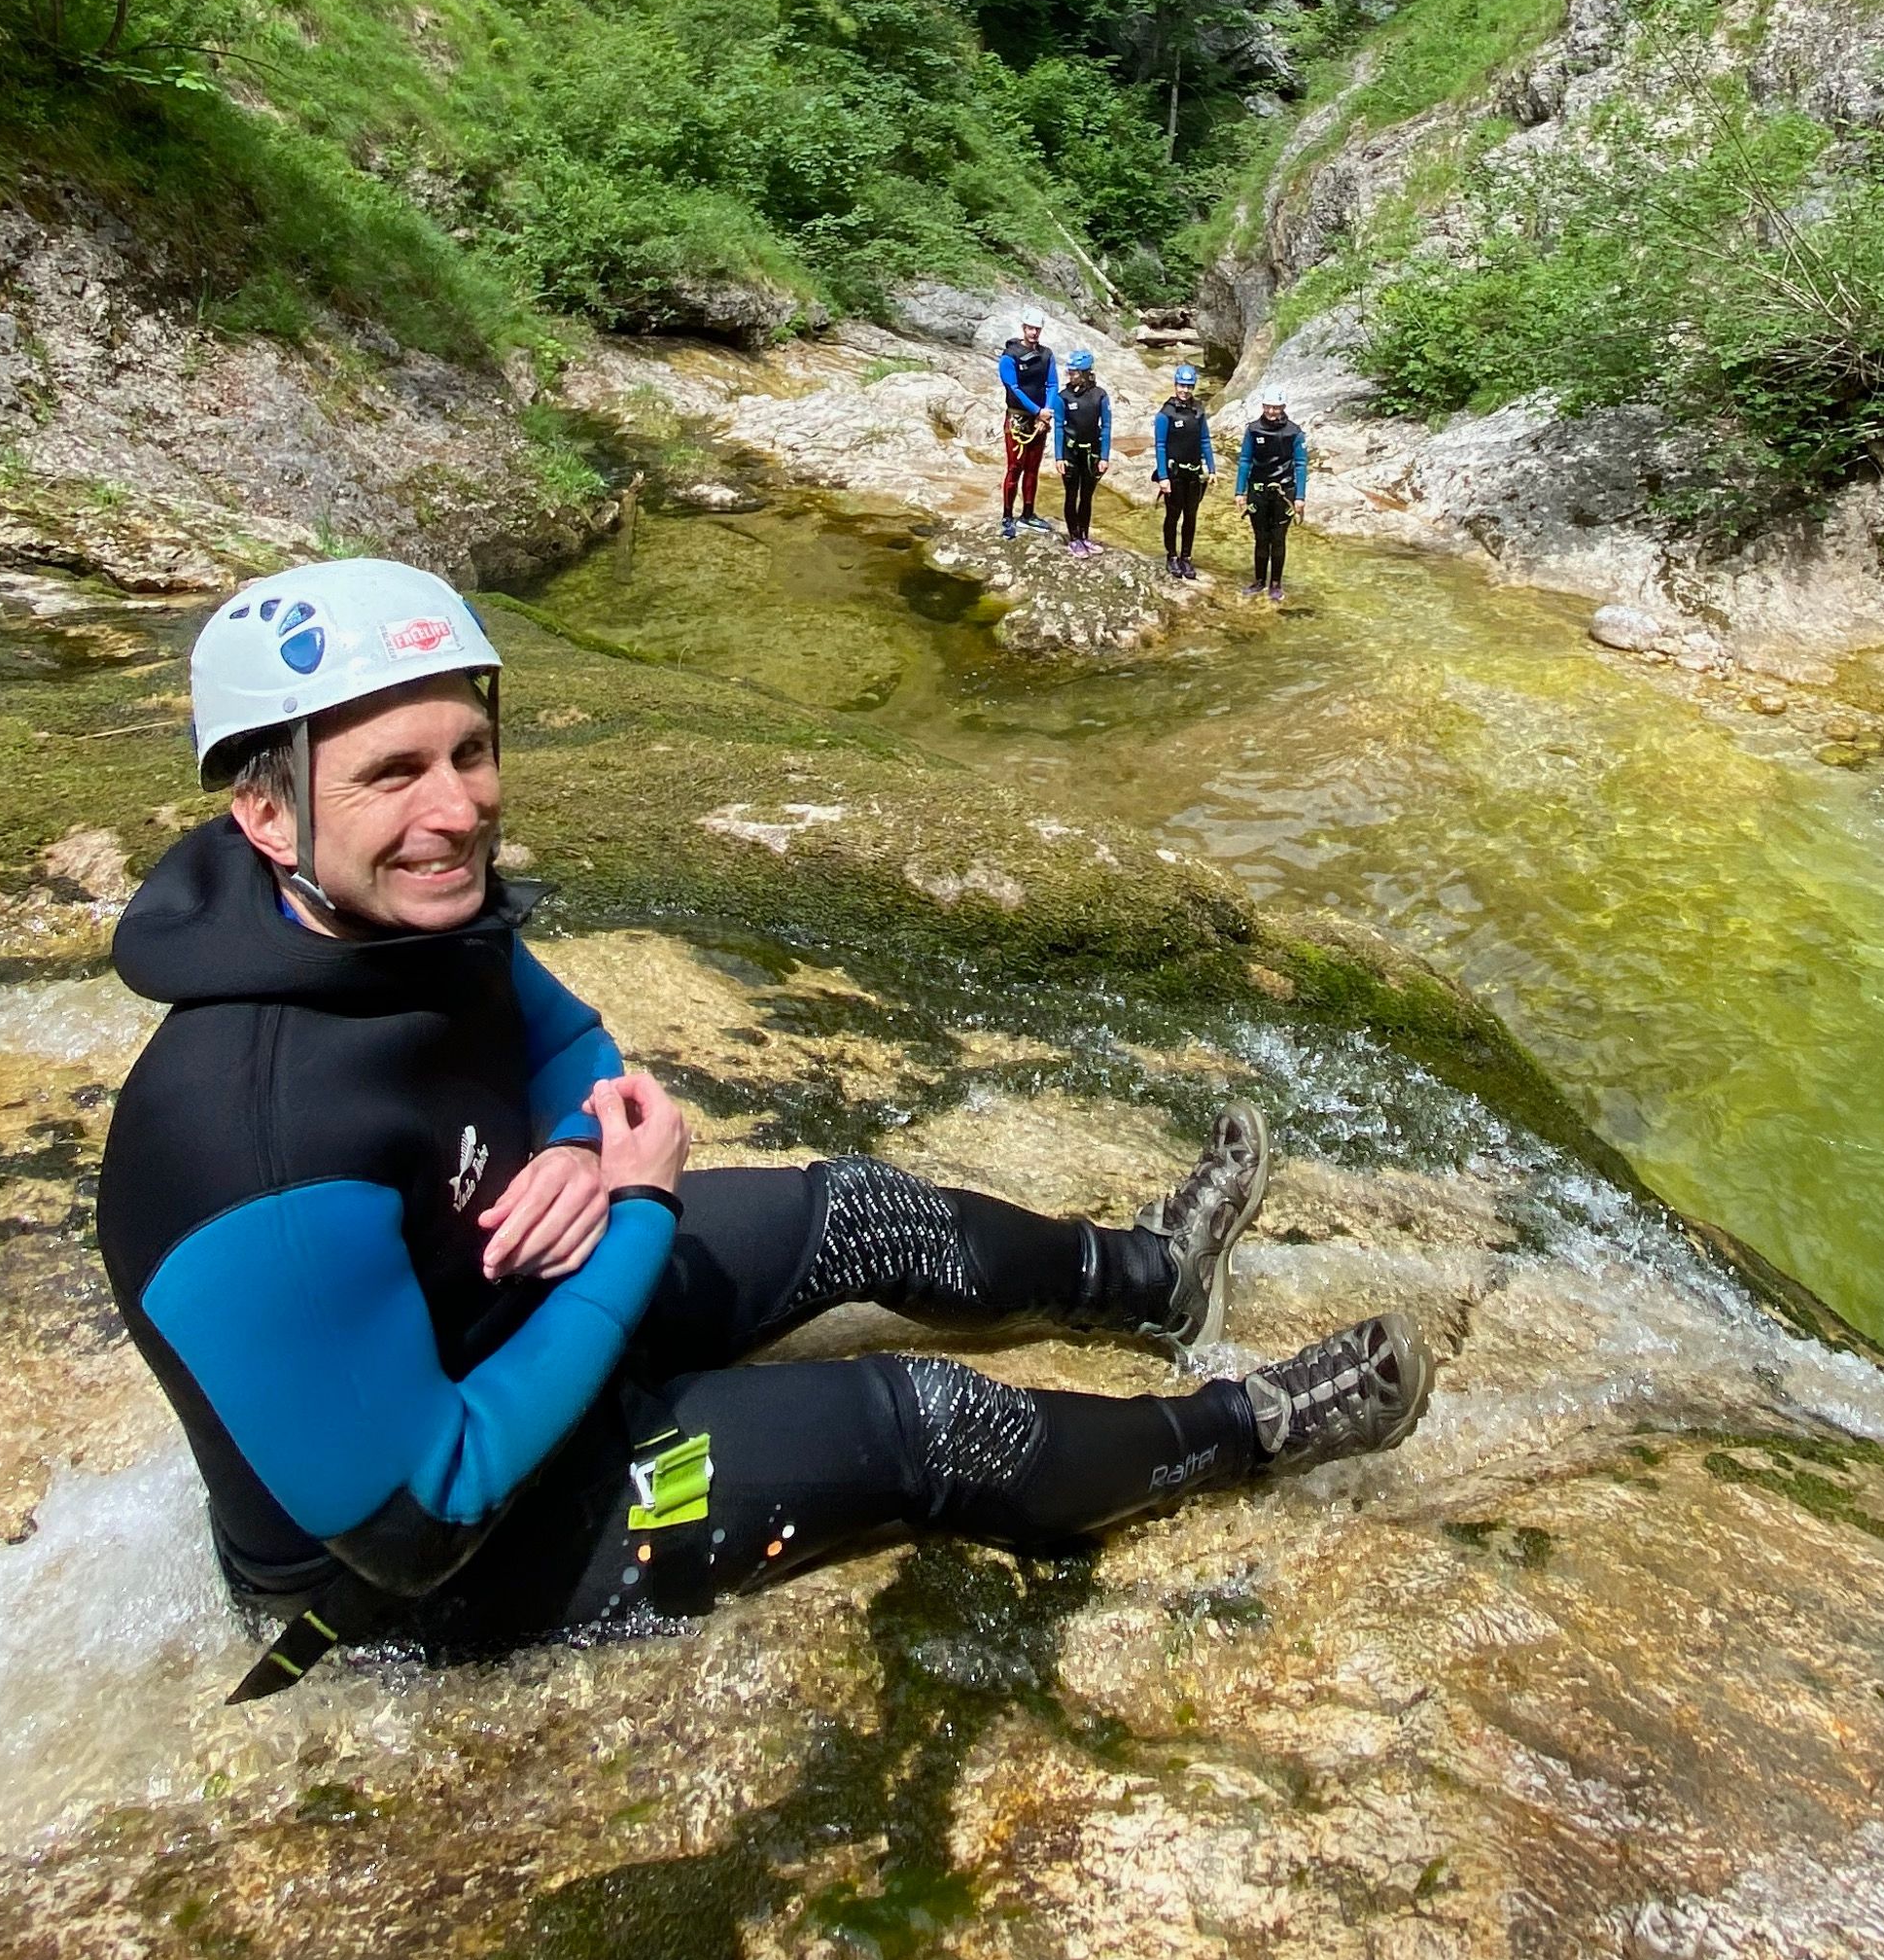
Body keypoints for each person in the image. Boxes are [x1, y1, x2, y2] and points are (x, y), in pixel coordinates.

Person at [98, 559, 1432, 1696]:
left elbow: (567, 1043)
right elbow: (422, 1511)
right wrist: (636, 1219)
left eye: (471, 753)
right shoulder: (246, 1149)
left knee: (860, 1210)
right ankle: (1248, 1429)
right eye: (393, 773)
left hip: (508, 1321)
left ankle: (1153, 1280)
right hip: (428, 1568)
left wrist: (573, 1146)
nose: (456, 811)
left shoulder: (384, 920)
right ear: (266, 810)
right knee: (929, 1425)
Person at [1236, 393, 1308, 598]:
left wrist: (1300, 496)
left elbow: (1301, 464)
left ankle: (1275, 584)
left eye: (1275, 407)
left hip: (1283, 493)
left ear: (1283, 407)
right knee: (1261, 538)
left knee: (1278, 539)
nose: (1271, 411)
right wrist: (1239, 491)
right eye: (1267, 406)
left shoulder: (1294, 432)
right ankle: (1259, 581)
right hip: (1258, 492)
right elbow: (1245, 460)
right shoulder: (1253, 430)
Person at [997, 315, 1057, 535]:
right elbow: (1013, 388)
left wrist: (1046, 412)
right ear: (1024, 328)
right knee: (1015, 468)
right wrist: (1037, 411)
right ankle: (1007, 516)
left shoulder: (1046, 355)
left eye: (1037, 329)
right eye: (1030, 328)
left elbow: (1052, 384)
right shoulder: (1010, 356)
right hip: (1018, 418)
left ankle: (1028, 514)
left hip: (1039, 420)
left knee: (1033, 468)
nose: (1034, 332)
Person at [1155, 365, 1215, 578]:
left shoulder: (1198, 410)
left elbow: (1204, 440)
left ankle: (1186, 557)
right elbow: (1160, 446)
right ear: (1175, 385)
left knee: (1191, 516)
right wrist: (1163, 477)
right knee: (1173, 515)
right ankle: (1171, 556)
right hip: (1174, 474)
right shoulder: (1166, 414)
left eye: (1189, 386)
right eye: (1181, 386)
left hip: (1194, 474)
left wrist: (1212, 469)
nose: (1185, 390)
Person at [1055, 347, 1113, 554]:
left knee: (1086, 496)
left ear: (1086, 373)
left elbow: (1106, 426)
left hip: (1091, 454)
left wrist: (1104, 456)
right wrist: (1059, 457)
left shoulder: (1100, 396)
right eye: (1069, 372)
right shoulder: (1063, 397)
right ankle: (1073, 538)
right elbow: (1059, 427)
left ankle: (1084, 536)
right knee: (1071, 494)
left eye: (1074, 373)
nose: (1070, 376)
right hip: (1070, 453)